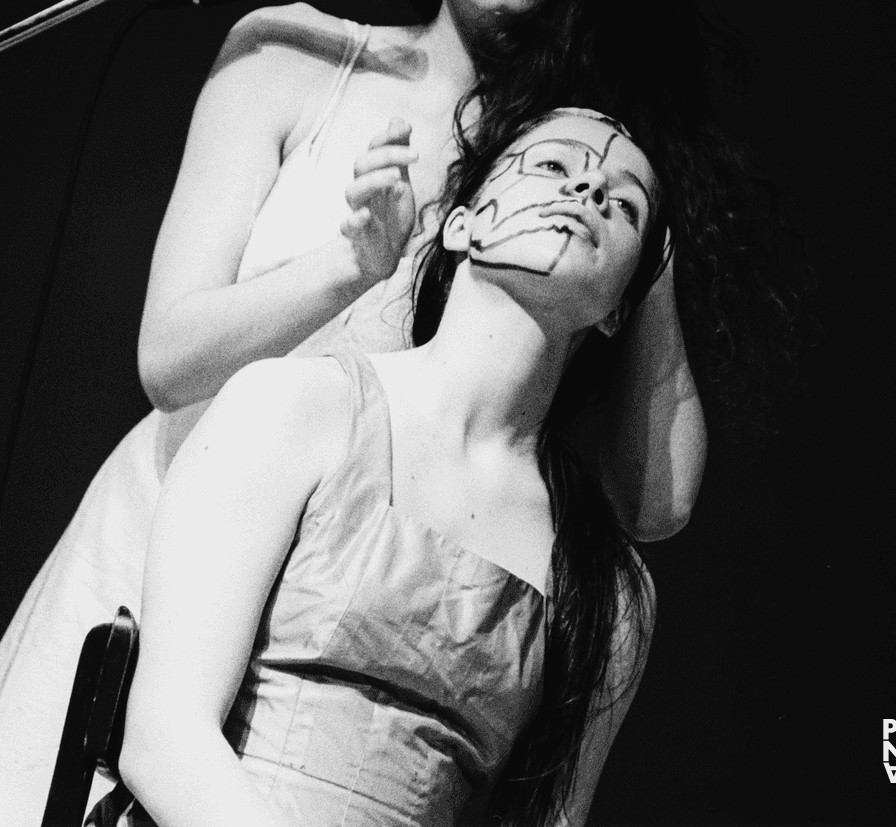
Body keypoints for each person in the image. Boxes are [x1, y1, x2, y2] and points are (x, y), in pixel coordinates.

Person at [0, 0, 770, 825]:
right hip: (187, 554)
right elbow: (169, 359)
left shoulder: (576, 161)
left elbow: (656, 501)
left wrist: (635, 194)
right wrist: (347, 266)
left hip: (368, 613)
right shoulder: (294, 55)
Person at [118, 107, 666, 827]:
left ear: (620, 311)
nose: (591, 188)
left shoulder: (608, 588)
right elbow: (164, 738)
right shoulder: (293, 407)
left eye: (624, 203)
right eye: (556, 165)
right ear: (462, 223)